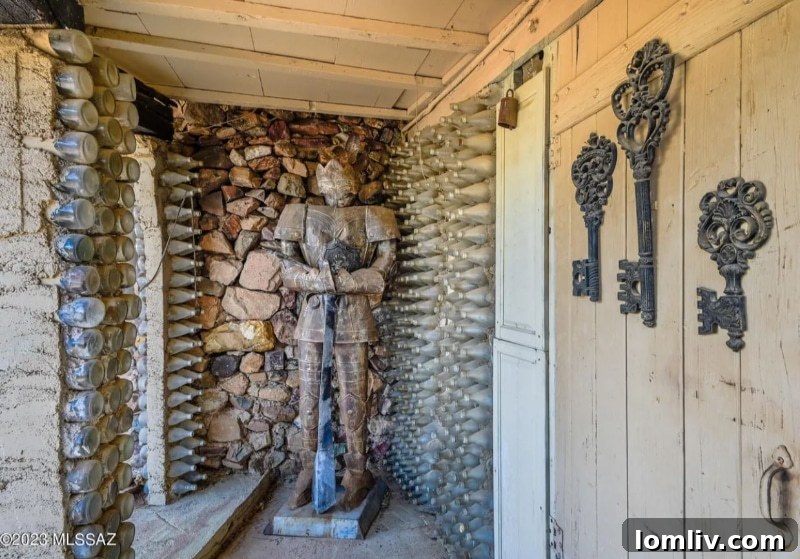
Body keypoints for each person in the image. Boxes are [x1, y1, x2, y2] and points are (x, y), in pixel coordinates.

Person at [274, 158, 398, 510]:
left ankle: (357, 470)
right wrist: (316, 280)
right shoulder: (300, 214)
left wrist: (349, 281)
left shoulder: (373, 216)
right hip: (314, 314)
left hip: (354, 315)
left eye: (344, 183)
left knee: (354, 393)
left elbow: (383, 265)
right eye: (331, 182)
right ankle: (311, 466)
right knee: (311, 392)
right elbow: (288, 266)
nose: (338, 191)